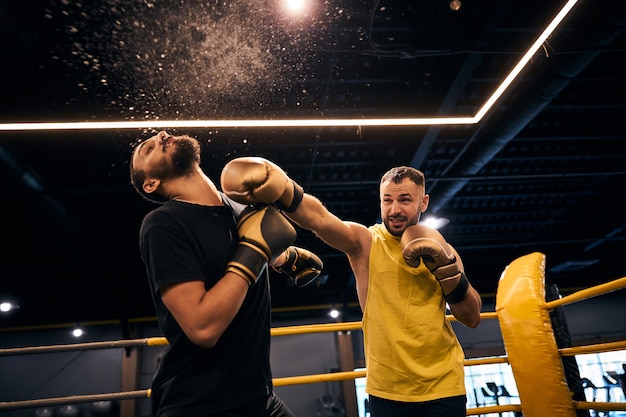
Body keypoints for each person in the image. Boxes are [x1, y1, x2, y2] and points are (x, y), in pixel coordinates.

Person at [220, 157, 483, 417]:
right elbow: (319, 219)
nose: (394, 210)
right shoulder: (365, 242)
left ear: (423, 202)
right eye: (387, 200)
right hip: (387, 389)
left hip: (444, 385)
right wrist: (285, 189)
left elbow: (471, 317)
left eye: (405, 200)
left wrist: (449, 275)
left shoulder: (442, 249)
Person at [129, 131, 323, 417]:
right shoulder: (163, 224)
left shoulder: (236, 210)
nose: (161, 135)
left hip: (259, 396)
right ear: (151, 184)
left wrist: (283, 257)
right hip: (200, 403)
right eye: (147, 149)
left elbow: (231, 249)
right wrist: (254, 252)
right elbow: (202, 328)